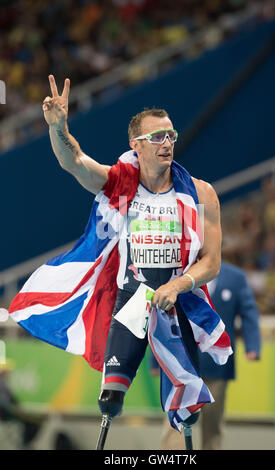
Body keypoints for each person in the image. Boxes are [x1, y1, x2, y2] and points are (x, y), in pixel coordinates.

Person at [13, 74, 229, 445]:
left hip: (179, 305)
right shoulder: (120, 185)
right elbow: (76, 162)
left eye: (171, 135)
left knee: (187, 412)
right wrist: (58, 128)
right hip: (131, 304)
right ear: (136, 145)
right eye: (157, 137)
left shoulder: (202, 193)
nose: (167, 143)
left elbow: (211, 262)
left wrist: (177, 285)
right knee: (110, 401)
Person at [150, 260, 261, 450]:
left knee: (212, 424)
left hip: (217, 365)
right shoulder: (175, 275)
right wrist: (155, 360)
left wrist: (253, 346)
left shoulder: (235, 277)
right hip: (181, 363)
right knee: (176, 422)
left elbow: (249, 313)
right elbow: (161, 317)